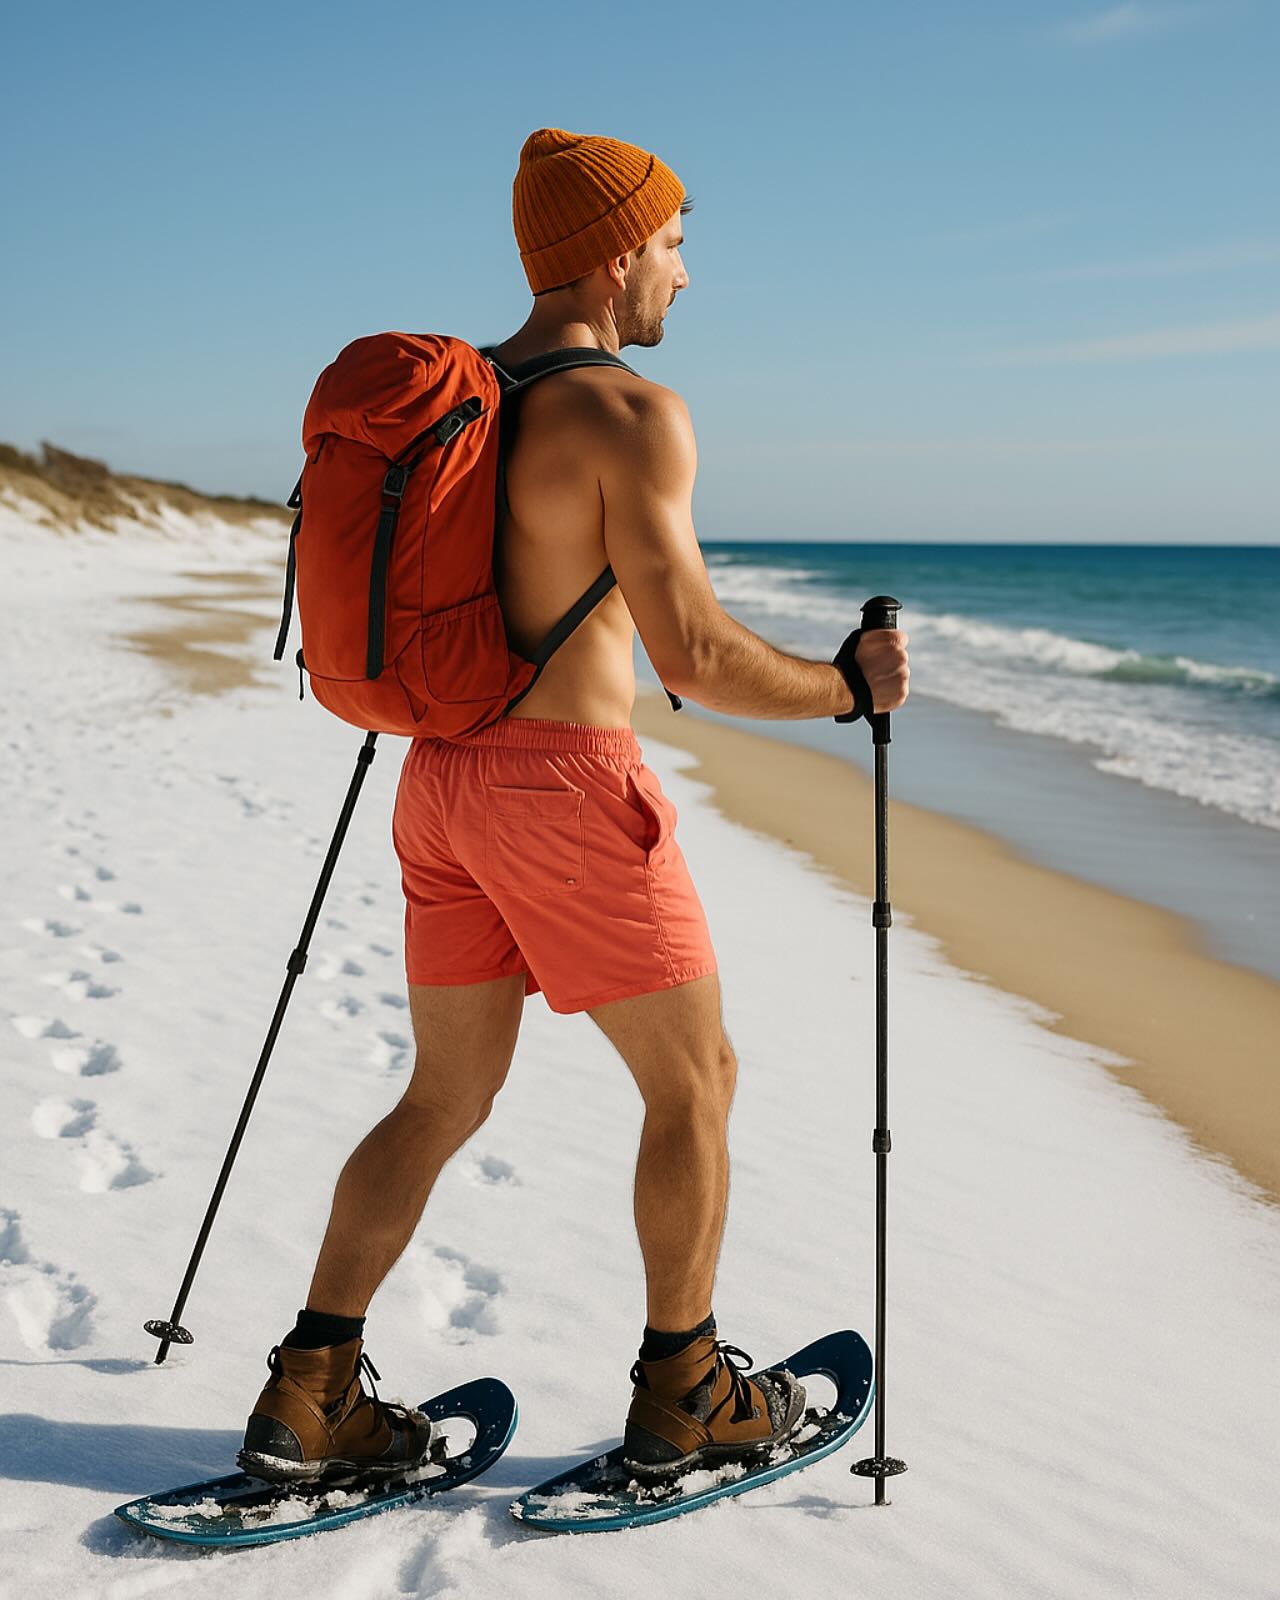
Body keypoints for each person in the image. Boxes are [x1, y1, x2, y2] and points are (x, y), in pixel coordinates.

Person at [239, 127, 910, 1486]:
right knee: (697, 1082)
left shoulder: (465, 401)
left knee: (443, 1094)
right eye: (673, 243)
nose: (684, 272)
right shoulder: (626, 414)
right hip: (564, 787)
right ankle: (689, 1395)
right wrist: (847, 691)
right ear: (615, 254)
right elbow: (696, 659)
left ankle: (312, 1397)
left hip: (442, 788)